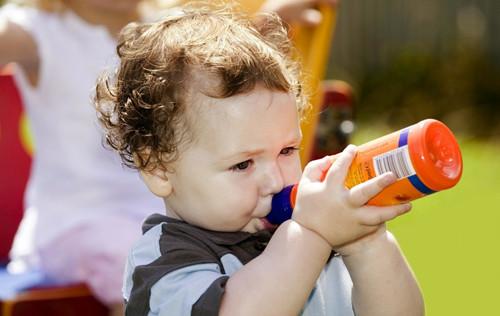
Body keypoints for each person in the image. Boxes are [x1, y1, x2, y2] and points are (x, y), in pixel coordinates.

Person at [0, 0, 340, 313]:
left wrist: (269, 18)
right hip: (73, 223)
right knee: (136, 262)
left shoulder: (166, 30)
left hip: (161, 207)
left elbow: (222, 79)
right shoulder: (36, 31)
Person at [94, 4, 425, 316]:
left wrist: (367, 243)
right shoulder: (164, 261)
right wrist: (311, 235)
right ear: (158, 168)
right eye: (243, 164)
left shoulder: (313, 229)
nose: (276, 181)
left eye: (286, 151)